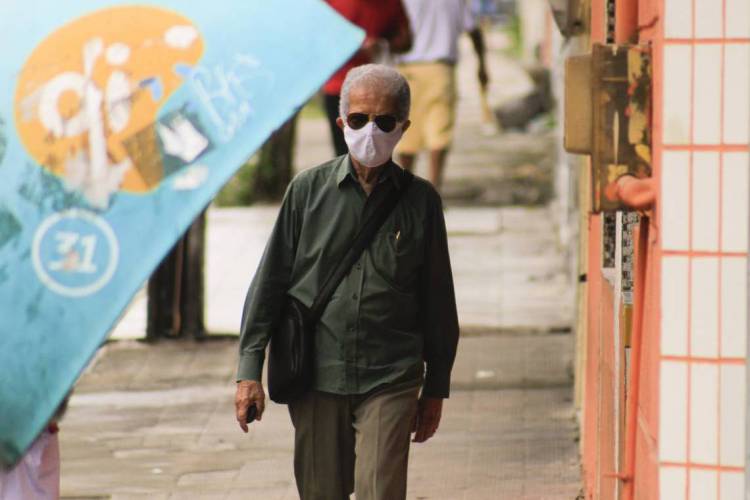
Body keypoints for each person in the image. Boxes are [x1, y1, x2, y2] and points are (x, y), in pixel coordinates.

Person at [235, 64, 459, 500]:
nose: (370, 130)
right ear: (341, 123)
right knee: (321, 492)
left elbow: (438, 301)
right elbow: (270, 283)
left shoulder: (421, 202)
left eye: (384, 121)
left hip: (391, 374)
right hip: (317, 374)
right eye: (358, 120)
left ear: (403, 128)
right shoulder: (306, 191)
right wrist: (248, 372)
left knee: (381, 491)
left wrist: (436, 387)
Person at [396, 0, 489, 188]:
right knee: (439, 131)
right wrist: (482, 65)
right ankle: (434, 188)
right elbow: (473, 31)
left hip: (407, 69)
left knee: (406, 133)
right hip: (441, 69)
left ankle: (405, 190)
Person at [322, 0, 412, 156]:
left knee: (376, 152)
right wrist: (358, 45)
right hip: (338, 85)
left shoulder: (391, 4)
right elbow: (319, 36)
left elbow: (405, 40)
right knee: (345, 153)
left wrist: (387, 44)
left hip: (377, 89)